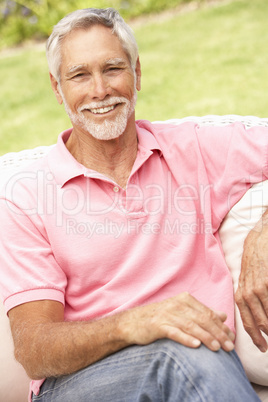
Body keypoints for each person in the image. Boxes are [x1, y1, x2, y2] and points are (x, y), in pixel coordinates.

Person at [0, 7, 267, 402]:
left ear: (137, 73)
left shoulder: (193, 148)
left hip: (205, 368)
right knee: (182, 350)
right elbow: (35, 349)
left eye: (112, 68)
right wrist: (134, 324)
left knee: (194, 349)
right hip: (81, 384)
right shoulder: (26, 196)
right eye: (79, 75)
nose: (99, 90)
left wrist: (264, 232)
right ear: (58, 89)